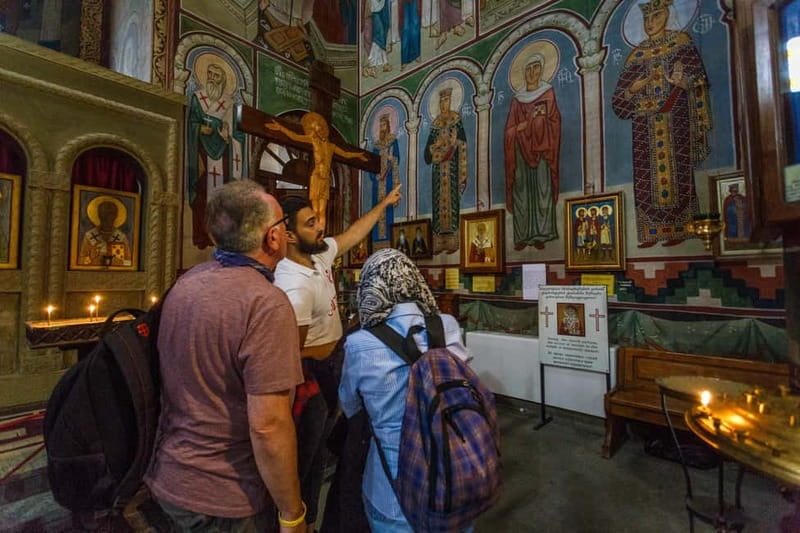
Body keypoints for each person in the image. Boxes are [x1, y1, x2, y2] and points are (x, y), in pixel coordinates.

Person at [146, 180, 306, 532]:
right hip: (228, 496)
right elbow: (268, 425)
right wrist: (292, 512)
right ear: (272, 237)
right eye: (282, 224)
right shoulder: (265, 302)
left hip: (171, 475)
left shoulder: (188, 282)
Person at [274, 184, 401, 533]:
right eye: (311, 223)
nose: (321, 227)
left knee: (319, 452)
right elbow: (291, 352)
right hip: (310, 374)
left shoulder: (317, 255)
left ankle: (310, 518)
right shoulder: (293, 286)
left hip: (332, 364)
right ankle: (297, 521)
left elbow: (353, 234)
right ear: (287, 234)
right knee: (306, 456)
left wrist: (384, 204)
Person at [339, 248, 473, 532]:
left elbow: (349, 405)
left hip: (392, 488)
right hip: (453, 477)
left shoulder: (359, 343)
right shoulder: (447, 326)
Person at [612, 0, 712, 248]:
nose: (650, 23)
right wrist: (632, 90)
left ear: (667, 16)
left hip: (675, 120)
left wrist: (682, 82)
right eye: (647, 18)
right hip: (643, 128)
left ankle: (681, 228)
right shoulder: (636, 56)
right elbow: (618, 104)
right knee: (646, 181)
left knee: (678, 174)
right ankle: (651, 231)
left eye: (656, 16)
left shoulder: (682, 44)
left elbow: (699, 81)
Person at [265, 112, 368, 231]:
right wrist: (281, 128)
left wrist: (359, 155)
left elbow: (346, 154)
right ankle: (314, 233)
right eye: (314, 130)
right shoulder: (313, 141)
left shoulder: (331, 146)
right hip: (316, 177)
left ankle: (320, 235)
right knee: (315, 210)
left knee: (322, 211)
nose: (317, 132)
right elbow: (294, 136)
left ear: (323, 130)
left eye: (319, 130)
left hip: (325, 179)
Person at [504, 52, 561, 251]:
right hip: (520, 153)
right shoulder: (517, 100)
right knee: (521, 191)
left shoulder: (548, 93)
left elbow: (555, 122)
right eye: (528, 69)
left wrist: (540, 125)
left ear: (541, 70)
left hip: (542, 151)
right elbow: (509, 130)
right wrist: (518, 129)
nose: (531, 72)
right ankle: (522, 235)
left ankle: (542, 233)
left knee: (542, 189)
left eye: (536, 67)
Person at [187, 61, 246, 249]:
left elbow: (238, 134)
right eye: (210, 74)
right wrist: (198, 129)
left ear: (223, 81)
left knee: (223, 198)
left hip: (223, 158)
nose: (212, 78)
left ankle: (222, 238)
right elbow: (190, 124)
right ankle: (202, 236)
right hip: (202, 155)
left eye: (216, 76)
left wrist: (228, 137)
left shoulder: (230, 105)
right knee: (203, 195)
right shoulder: (198, 98)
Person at [424, 86, 467, 254]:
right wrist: (437, 145)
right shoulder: (435, 126)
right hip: (437, 173)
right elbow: (427, 155)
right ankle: (439, 242)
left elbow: (463, 144)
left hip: (452, 171)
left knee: (452, 203)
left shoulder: (456, 121)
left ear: (450, 101)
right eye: (441, 100)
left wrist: (455, 142)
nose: (443, 103)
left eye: (446, 100)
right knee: (437, 205)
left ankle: (452, 242)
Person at [370, 114, 400, 244]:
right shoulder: (376, 146)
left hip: (388, 181)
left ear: (388, 126)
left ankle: (388, 239)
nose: (382, 128)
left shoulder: (393, 141)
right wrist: (375, 177)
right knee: (377, 209)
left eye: (384, 125)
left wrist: (390, 158)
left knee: (387, 207)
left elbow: (397, 159)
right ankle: (376, 240)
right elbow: (371, 165)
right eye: (380, 126)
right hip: (378, 183)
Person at [78, 198, 132, 267]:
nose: (108, 218)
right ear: (99, 215)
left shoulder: (121, 237)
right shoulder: (89, 236)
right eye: (105, 214)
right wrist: (91, 258)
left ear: (115, 216)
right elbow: (80, 260)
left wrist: (119, 262)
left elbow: (129, 262)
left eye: (111, 214)